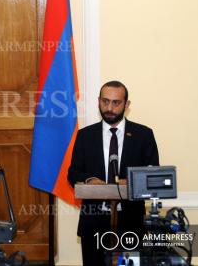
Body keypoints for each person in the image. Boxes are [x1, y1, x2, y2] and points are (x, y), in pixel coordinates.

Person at [68, 81, 159, 266]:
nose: (109, 108)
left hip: (131, 221)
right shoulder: (85, 135)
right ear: (98, 101)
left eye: (116, 103)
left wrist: (132, 182)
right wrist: (89, 179)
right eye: (105, 101)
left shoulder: (143, 135)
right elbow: (73, 172)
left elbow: (153, 175)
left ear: (127, 105)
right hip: (94, 221)